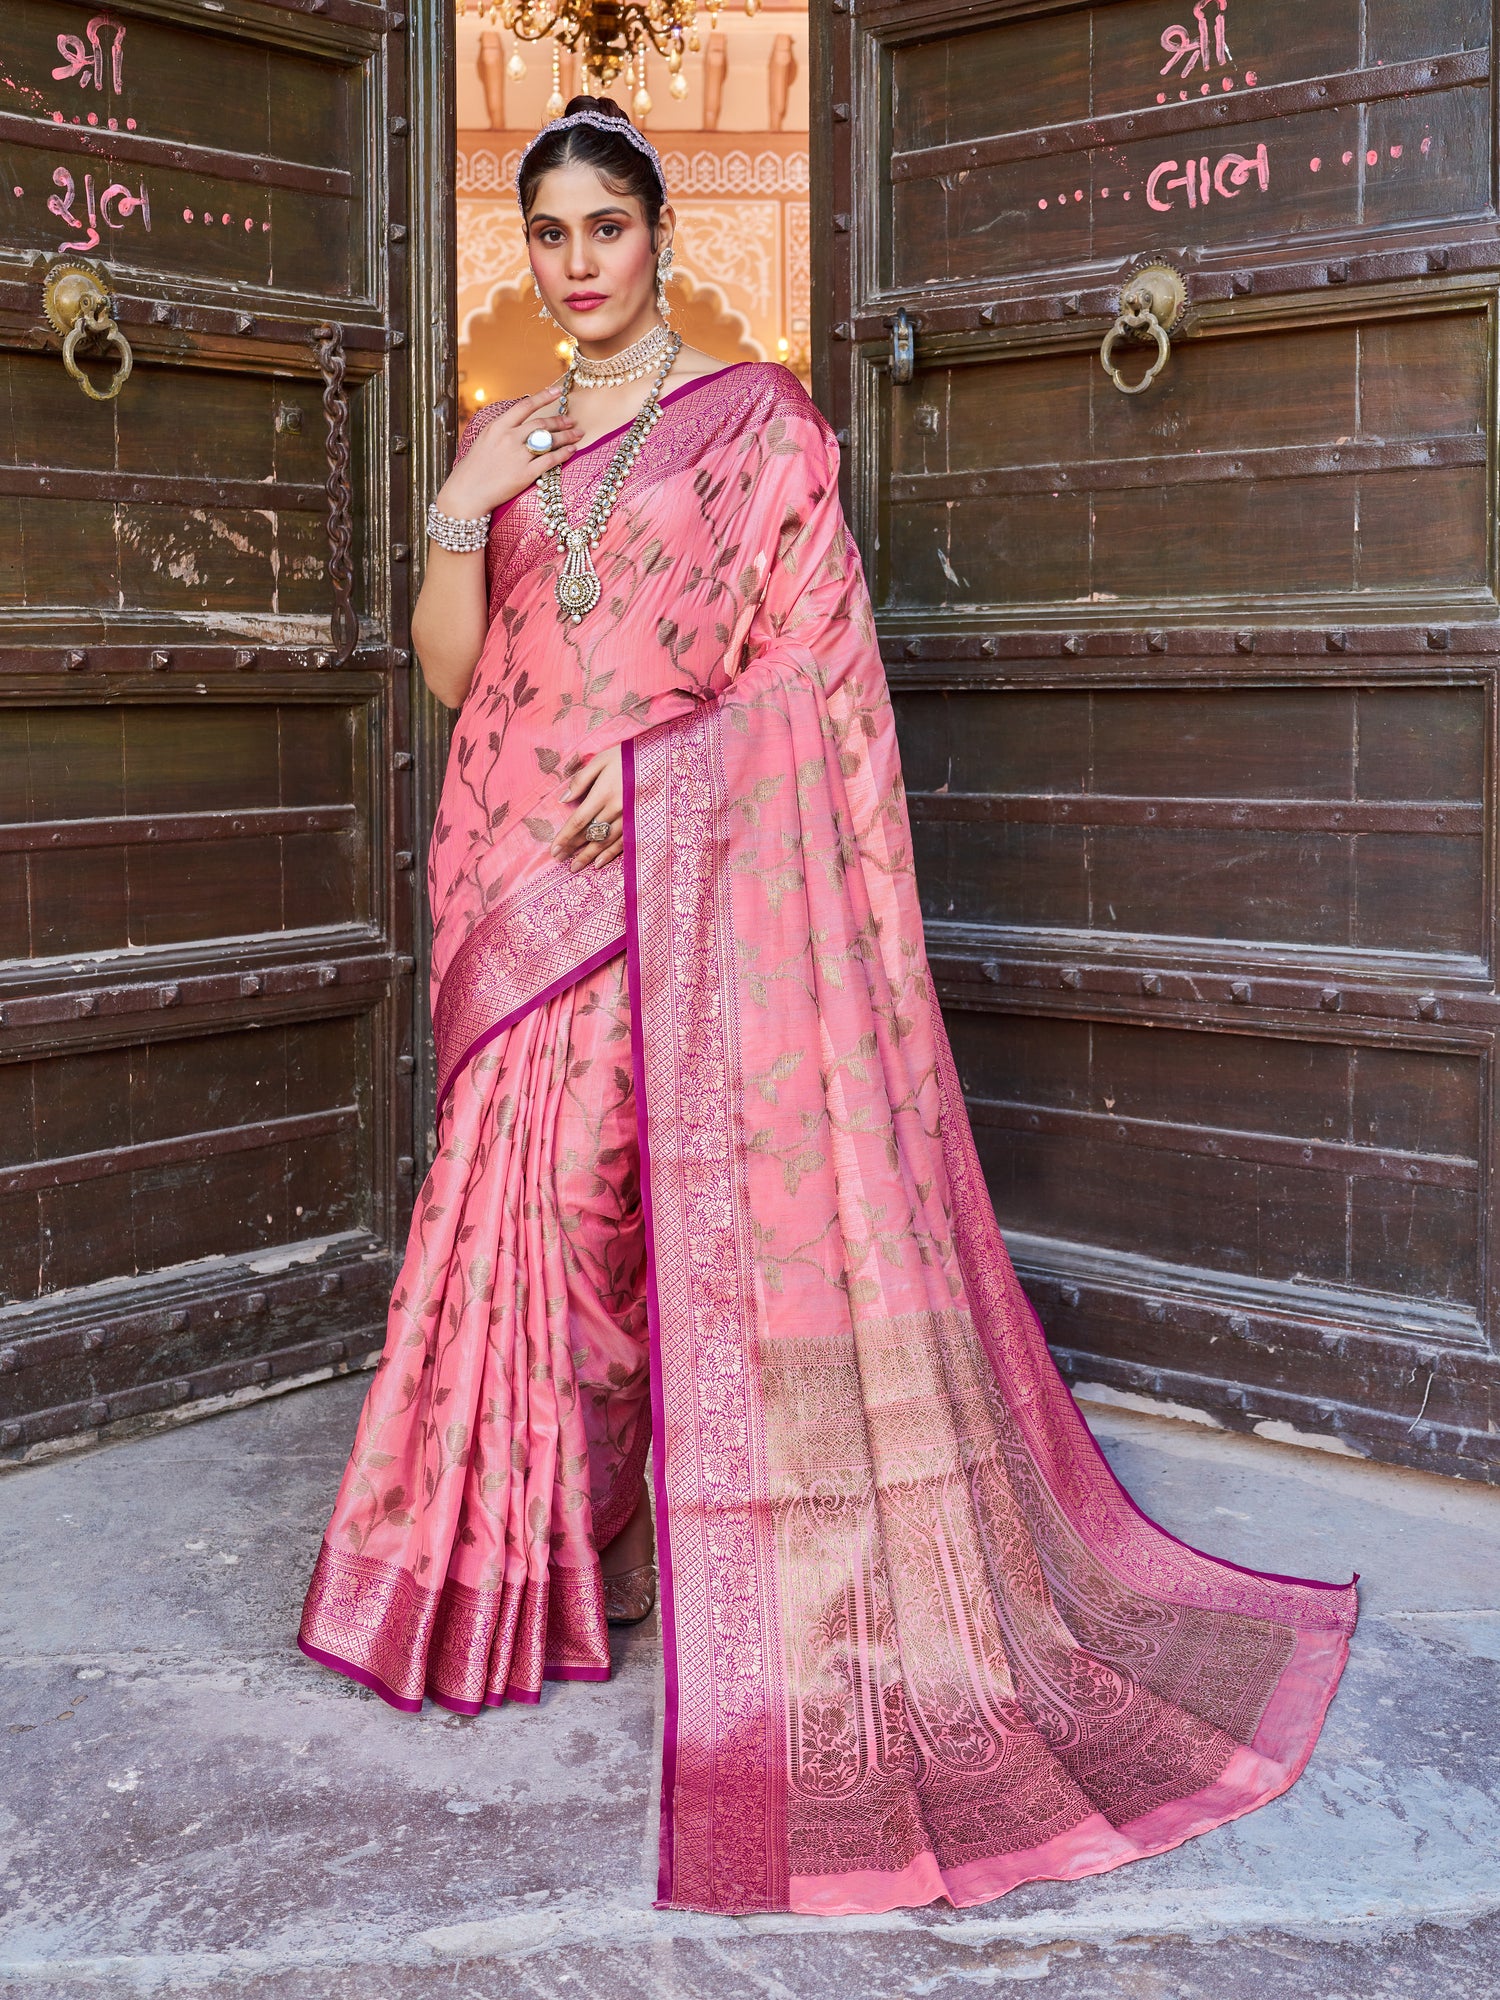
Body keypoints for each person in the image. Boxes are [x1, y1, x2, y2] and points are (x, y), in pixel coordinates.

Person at [298, 95, 1357, 1919]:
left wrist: (660, 781)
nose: (576, 267)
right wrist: (459, 511)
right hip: (511, 874)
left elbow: (820, 678)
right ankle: (528, 1563)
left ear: (661, 237)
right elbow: (462, 677)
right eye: (545, 236)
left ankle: (653, 1538)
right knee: (519, 1212)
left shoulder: (757, 430)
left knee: (618, 1201)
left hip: (675, 863)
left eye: (605, 231)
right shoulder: (498, 439)